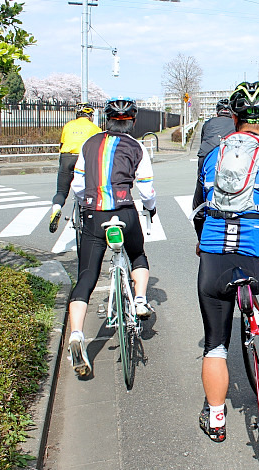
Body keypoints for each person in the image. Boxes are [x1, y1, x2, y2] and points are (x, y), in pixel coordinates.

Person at [191, 81, 259, 442]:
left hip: (213, 263)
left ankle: (217, 419)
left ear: (234, 118)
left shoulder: (210, 157)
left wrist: (201, 243)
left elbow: (199, 210)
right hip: (257, 260)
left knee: (215, 345)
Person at [66, 96, 157, 378]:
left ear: (106, 121)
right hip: (125, 213)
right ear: (131, 122)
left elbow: (78, 185)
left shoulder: (89, 144)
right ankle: (140, 299)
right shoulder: (137, 146)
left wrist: (87, 202)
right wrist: (151, 209)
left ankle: (77, 335)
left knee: (86, 277)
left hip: (94, 215)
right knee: (137, 255)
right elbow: (146, 189)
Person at [49, 102, 102, 233]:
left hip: (67, 157)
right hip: (85, 158)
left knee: (61, 191)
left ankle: (56, 208)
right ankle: (89, 215)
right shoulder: (95, 128)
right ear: (90, 116)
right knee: (91, 189)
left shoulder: (68, 126)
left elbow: (62, 145)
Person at [197, 98, 235, 170]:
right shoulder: (236, 124)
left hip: (206, 154)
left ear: (217, 112)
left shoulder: (208, 123)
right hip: (230, 156)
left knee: (202, 178)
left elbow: (203, 140)